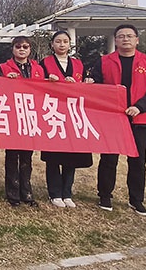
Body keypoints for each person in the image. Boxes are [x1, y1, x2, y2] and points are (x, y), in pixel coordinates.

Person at [90, 24, 146, 216]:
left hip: (139, 119)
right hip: (112, 119)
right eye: (121, 36)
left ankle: (136, 200)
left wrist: (139, 107)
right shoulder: (104, 62)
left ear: (137, 40)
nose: (125, 39)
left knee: (138, 161)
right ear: (115, 40)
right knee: (109, 159)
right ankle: (105, 196)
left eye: (129, 36)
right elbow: (96, 88)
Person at [39, 31, 93, 208]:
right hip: (52, 112)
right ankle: (54, 193)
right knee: (54, 155)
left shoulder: (78, 64)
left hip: (72, 113)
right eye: (58, 41)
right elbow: (37, 84)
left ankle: (67, 192)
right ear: (52, 44)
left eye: (65, 42)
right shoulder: (45, 62)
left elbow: (84, 88)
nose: (62, 45)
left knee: (72, 154)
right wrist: (48, 81)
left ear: (70, 45)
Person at [0, 36, 43, 207]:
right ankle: (12, 193)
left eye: (25, 47)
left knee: (27, 157)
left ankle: (27, 192)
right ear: (13, 49)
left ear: (30, 49)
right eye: (18, 46)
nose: (22, 49)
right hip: (12, 115)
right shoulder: (3, 68)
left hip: (30, 115)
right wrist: (5, 81)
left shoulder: (38, 69)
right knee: (12, 156)